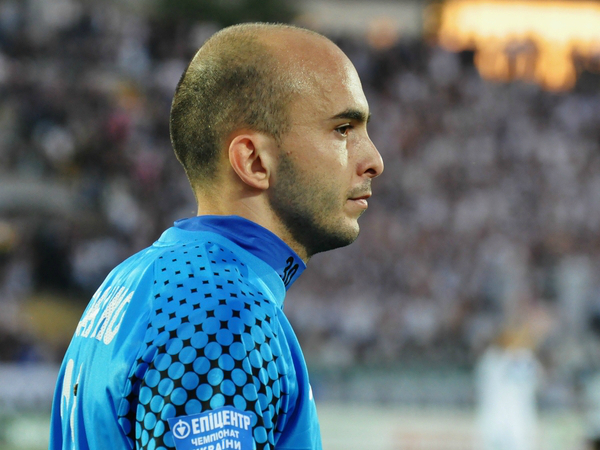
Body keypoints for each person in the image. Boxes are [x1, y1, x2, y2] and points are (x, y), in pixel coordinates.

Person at [49, 22, 384, 450]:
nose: (374, 160)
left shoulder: (136, 278)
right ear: (254, 161)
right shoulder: (220, 312)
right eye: (343, 129)